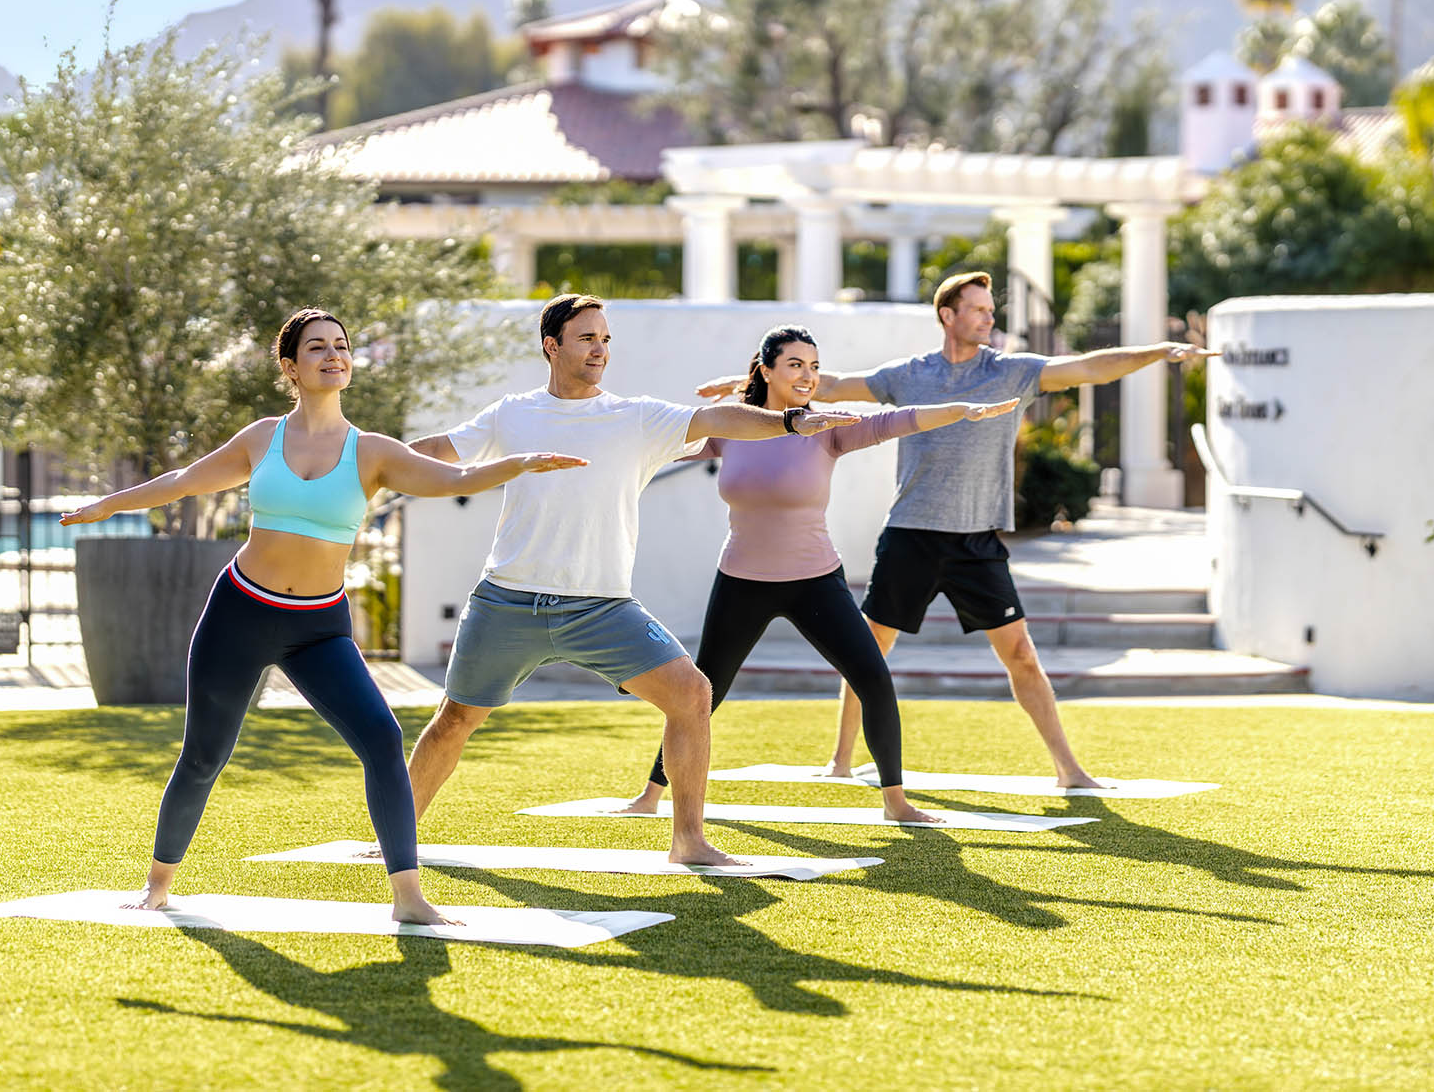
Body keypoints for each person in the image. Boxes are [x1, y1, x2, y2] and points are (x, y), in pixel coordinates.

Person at [61, 308, 585, 923]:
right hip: (240, 613)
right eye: (317, 348)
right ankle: (157, 885)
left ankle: (409, 898)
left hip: (318, 626)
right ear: (291, 366)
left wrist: (519, 463)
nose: (334, 355)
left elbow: (455, 478)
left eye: (342, 346)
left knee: (383, 738)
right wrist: (105, 507)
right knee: (204, 756)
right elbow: (183, 481)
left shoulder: (373, 452)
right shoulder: (263, 439)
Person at [699, 272, 1216, 789]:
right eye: (980, 310)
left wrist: (1156, 352)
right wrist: (740, 385)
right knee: (869, 652)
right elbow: (828, 384)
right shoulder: (908, 374)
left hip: (977, 540)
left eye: (992, 310)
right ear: (948, 316)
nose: (991, 319)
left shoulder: (1013, 371)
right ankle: (840, 761)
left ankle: (1069, 769)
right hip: (910, 533)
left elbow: (1085, 368)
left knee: (1020, 655)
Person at [405, 294, 858, 865]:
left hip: (600, 608)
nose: (600, 349)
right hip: (509, 601)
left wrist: (790, 420)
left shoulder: (635, 415)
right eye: (587, 338)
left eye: (606, 339)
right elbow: (435, 453)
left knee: (692, 694)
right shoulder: (511, 413)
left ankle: (688, 841)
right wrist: (364, 462)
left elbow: (719, 419)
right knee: (455, 720)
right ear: (552, 346)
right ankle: (396, 838)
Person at [622, 324, 1020, 824]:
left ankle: (897, 803)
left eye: (813, 366)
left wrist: (960, 411)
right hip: (742, 580)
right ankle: (652, 795)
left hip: (815, 580)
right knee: (703, 691)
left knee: (873, 678)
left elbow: (898, 421)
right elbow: (660, 444)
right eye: (795, 365)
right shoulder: (732, 427)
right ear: (765, 370)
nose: (808, 376)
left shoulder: (827, 427)